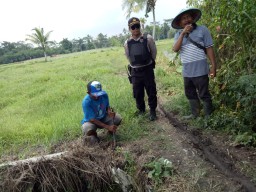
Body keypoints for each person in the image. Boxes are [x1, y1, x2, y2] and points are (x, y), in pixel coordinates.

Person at [172, 8, 217, 118]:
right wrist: (183, 34)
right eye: (183, 18)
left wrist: (213, 66)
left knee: (204, 93)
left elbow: (209, 48)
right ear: (180, 23)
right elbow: (175, 49)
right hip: (187, 72)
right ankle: (195, 114)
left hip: (201, 70)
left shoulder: (202, 30)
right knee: (190, 93)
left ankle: (208, 116)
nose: (186, 20)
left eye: (188, 17)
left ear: (192, 18)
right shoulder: (178, 35)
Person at [124, 17, 158, 121]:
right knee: (137, 93)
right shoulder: (127, 43)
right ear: (129, 29)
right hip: (135, 71)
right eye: (133, 27)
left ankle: (152, 111)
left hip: (147, 69)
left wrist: (149, 63)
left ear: (140, 26)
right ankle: (141, 110)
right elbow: (128, 57)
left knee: (151, 91)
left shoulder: (148, 38)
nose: (135, 29)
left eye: (137, 26)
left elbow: (154, 53)